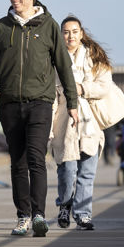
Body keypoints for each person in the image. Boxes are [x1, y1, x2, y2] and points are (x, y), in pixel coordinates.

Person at [0, 0, 79, 237]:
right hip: (10, 103)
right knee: (18, 161)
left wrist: (72, 102)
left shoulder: (48, 26)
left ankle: (38, 215)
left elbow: (64, 66)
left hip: (40, 102)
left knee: (36, 158)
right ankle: (22, 216)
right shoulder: (1, 27)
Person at [49, 16, 114, 231]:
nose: (70, 36)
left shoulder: (94, 58)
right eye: (66, 32)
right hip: (64, 121)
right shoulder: (53, 59)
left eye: (74, 31)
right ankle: (65, 204)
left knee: (87, 171)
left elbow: (104, 86)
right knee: (67, 170)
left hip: (90, 123)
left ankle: (83, 214)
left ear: (81, 33)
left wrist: (82, 88)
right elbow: (49, 94)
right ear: (61, 34)